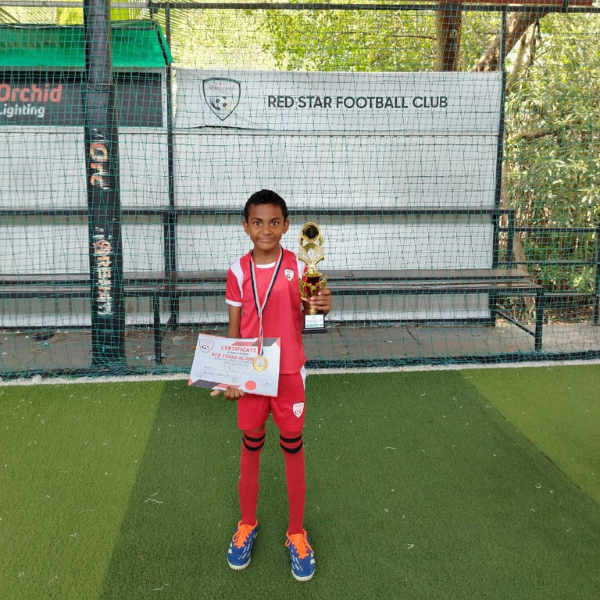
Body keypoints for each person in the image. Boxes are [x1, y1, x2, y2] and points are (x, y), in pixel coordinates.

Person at [210, 189, 332, 582]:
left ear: (286, 226)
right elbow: (233, 328)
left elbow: (315, 310)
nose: (266, 230)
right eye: (258, 222)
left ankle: (296, 533)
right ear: (245, 226)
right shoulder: (237, 271)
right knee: (251, 445)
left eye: (274, 222)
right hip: (251, 374)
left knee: (293, 447)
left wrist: (323, 303)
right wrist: (231, 375)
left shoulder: (300, 266)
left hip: (289, 373)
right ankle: (247, 524)